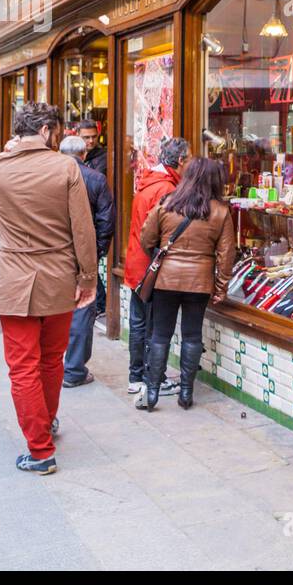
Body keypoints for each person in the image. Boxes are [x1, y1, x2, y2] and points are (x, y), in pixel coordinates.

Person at [0, 102, 96, 475]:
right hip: (59, 273)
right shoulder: (66, 168)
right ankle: (47, 423)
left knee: (22, 366)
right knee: (50, 359)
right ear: (47, 131)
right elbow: (83, 228)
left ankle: (40, 448)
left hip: (15, 275)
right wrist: (88, 277)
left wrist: (6, 154)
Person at [136, 157, 236, 410]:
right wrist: (221, 287)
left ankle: (152, 393)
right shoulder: (221, 212)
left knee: (160, 335)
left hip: (166, 280)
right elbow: (226, 256)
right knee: (192, 336)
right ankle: (186, 393)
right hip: (199, 282)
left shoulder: (167, 204)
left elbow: (146, 238)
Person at [124, 137, 187, 396]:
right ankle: (153, 377)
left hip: (137, 263)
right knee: (153, 325)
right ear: (181, 161)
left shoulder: (149, 182)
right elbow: (161, 233)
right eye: (189, 158)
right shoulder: (165, 190)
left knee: (139, 322)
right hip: (151, 267)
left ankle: (136, 375)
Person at [58, 135, 114, 388]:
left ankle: (54, 365)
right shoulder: (95, 179)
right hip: (82, 255)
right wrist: (96, 252)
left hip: (53, 254)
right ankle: (73, 369)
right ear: (83, 154)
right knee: (82, 310)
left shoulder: (49, 176)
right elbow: (106, 221)